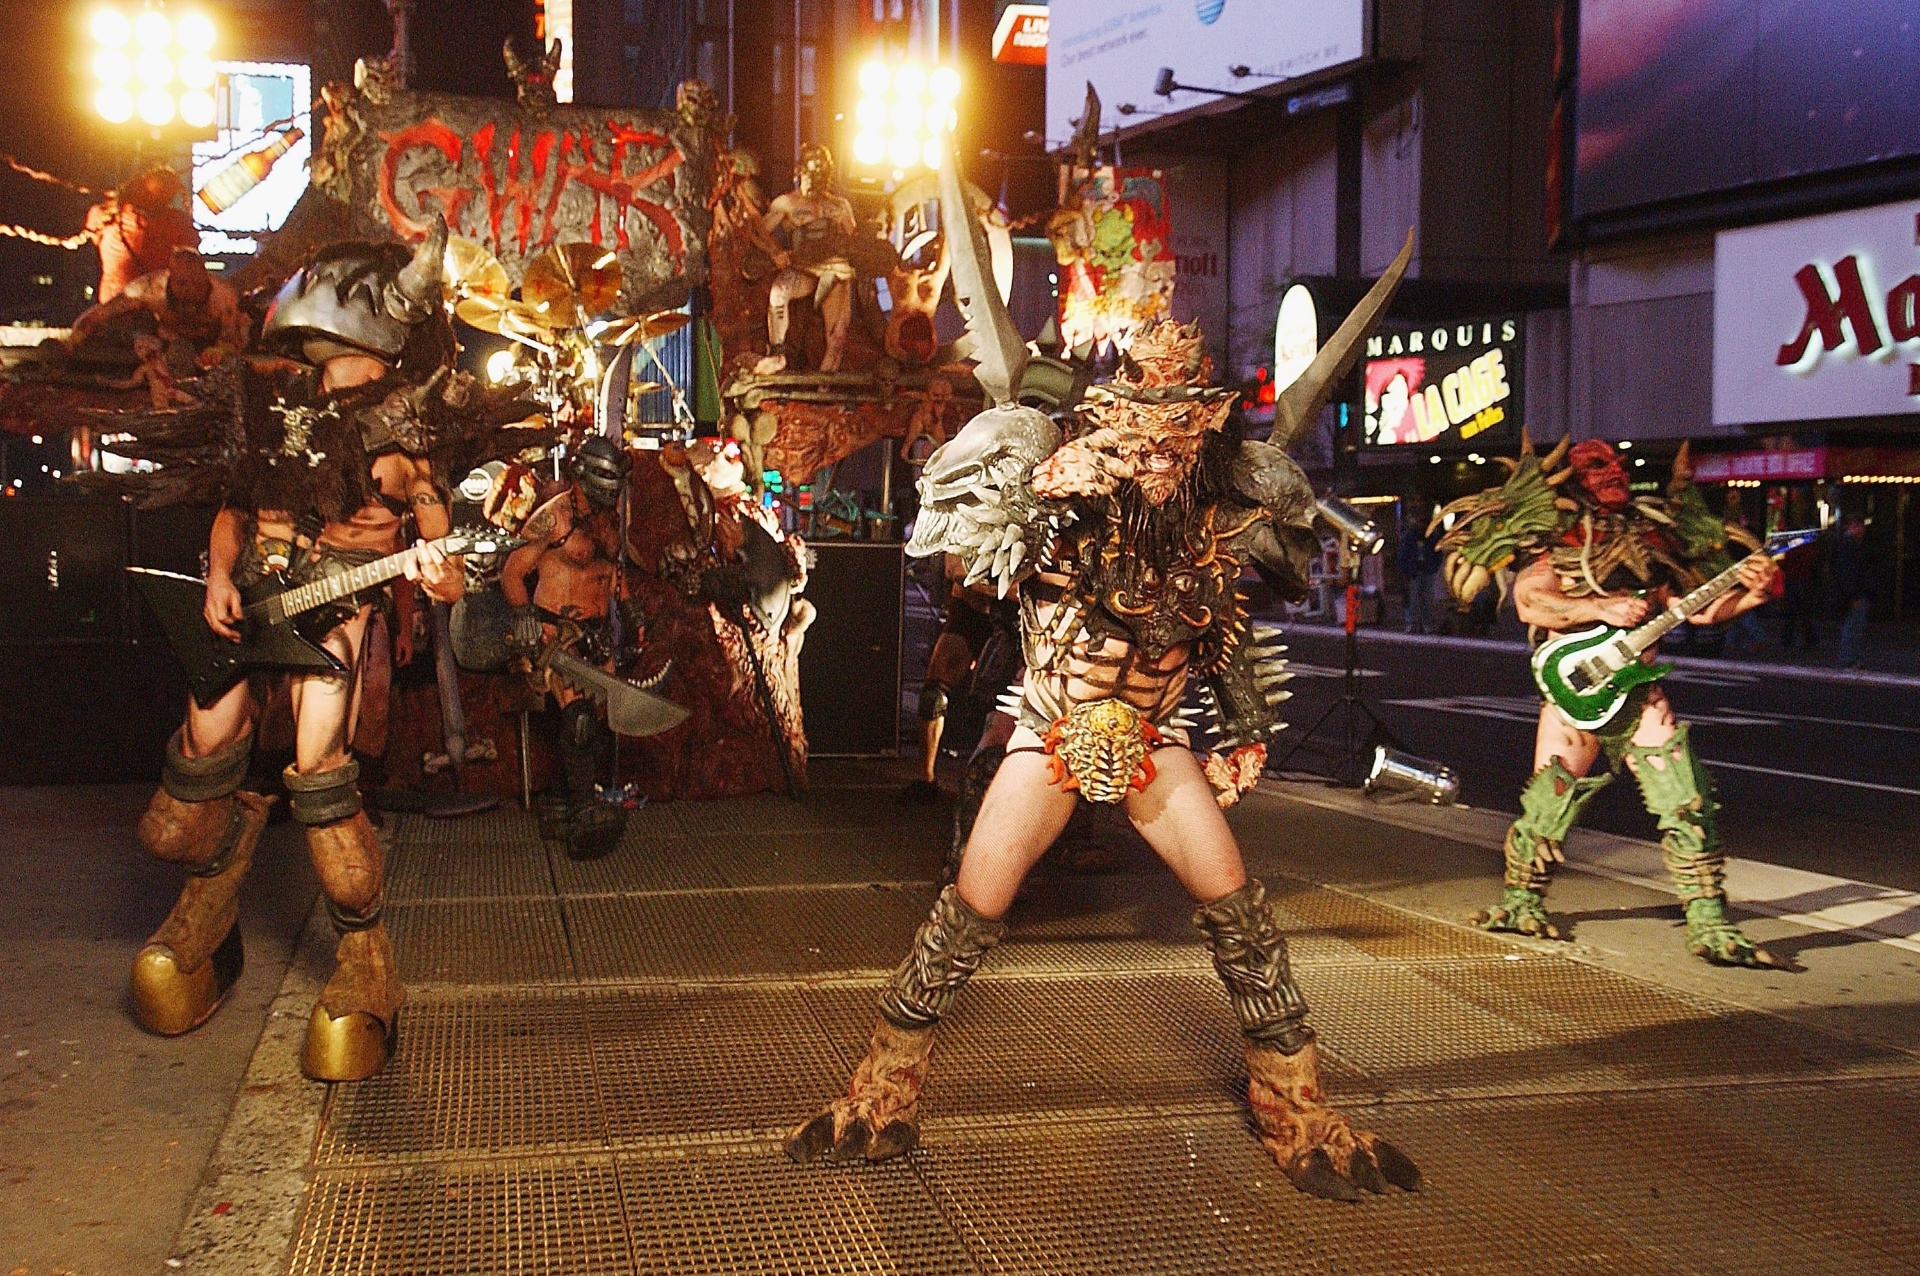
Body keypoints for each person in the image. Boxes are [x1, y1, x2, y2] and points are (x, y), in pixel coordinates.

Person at [787, 318, 1421, 1201]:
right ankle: (880, 1094)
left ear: (1203, 430)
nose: (1159, 455)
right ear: (1112, 421)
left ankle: (1296, 1110)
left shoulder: (1216, 522)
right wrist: (1044, 490)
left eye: (1180, 435)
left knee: (1242, 919)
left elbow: (1222, 633)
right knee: (965, 919)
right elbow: (985, 557)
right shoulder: (1061, 496)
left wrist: (1242, 727)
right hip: (1053, 732)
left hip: (1156, 742)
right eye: (1142, 434)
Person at [128, 222, 465, 1081]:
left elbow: (445, 561)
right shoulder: (275, 405)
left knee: (319, 771)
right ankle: (208, 906)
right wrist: (216, 577)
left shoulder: (408, 440)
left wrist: (439, 573)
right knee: (189, 791)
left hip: (335, 610)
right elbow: (236, 507)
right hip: (248, 602)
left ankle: (364, 959)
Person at [1434, 436, 1784, 968]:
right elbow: (1531, 601)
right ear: (1575, 479)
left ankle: (1710, 921)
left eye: (1618, 464)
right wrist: (1600, 605)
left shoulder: (1651, 539)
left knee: (1685, 796)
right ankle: (1520, 900)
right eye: (1598, 465)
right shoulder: (1560, 537)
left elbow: (1697, 611)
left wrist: (1754, 593)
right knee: (1549, 801)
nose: (1614, 471)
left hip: (1638, 688)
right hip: (1575, 691)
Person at [501, 437, 635, 859]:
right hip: (556, 634)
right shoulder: (554, 518)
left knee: (602, 721)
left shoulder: (611, 520)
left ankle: (572, 798)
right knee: (577, 720)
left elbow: (614, 571)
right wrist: (524, 615)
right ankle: (582, 812)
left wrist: (630, 611)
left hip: (598, 633)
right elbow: (512, 572)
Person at [898, 554, 1019, 805]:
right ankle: (927, 778)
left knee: (999, 705)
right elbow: (954, 569)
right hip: (972, 611)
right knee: (933, 694)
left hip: (1016, 619)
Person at [751, 144, 859, 375]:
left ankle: (823, 390)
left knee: (837, 339)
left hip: (836, 273)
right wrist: (774, 252)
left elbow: (855, 242)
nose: (816, 175)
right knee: (779, 292)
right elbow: (758, 230)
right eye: (811, 170)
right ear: (800, 171)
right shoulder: (787, 203)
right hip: (804, 270)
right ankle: (777, 355)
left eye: (821, 170)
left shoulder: (840, 206)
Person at [69, 247, 247, 373]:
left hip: (207, 349)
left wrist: (219, 352)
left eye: (197, 283)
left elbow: (231, 338)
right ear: (171, 278)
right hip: (160, 346)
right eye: (183, 283)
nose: (191, 290)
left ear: (206, 277)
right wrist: (78, 334)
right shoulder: (149, 289)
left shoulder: (224, 297)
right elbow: (103, 313)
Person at [1397, 503, 1441, 634]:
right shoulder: (1410, 536)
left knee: (1426, 599)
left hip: (1426, 570)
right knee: (1412, 598)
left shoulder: (1432, 537)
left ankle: (1425, 624)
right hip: (1413, 571)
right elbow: (1402, 554)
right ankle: (1411, 623)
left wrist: (1433, 567)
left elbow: (1437, 554)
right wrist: (1404, 570)